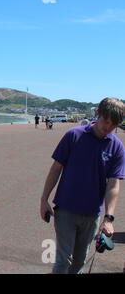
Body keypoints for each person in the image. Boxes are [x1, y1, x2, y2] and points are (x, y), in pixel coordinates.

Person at [40, 97, 125, 274]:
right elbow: (56, 168)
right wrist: (44, 199)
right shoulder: (74, 135)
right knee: (64, 260)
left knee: (80, 261)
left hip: (92, 214)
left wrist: (108, 219)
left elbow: (113, 185)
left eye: (113, 124)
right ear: (98, 114)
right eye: (105, 121)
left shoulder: (117, 147)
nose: (107, 127)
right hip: (65, 210)